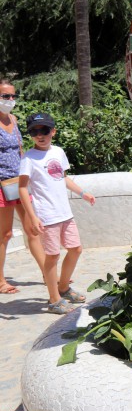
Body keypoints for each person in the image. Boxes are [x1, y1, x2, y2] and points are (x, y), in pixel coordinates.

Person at [18, 112, 95, 314]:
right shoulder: (29, 158)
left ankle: (63, 288)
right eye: (34, 131)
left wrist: (83, 192)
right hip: (47, 215)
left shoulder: (58, 152)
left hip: (64, 213)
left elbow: (63, 178)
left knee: (75, 249)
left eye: (43, 130)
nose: (39, 135)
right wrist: (33, 216)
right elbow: (23, 188)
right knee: (52, 256)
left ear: (53, 131)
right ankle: (54, 300)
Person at [0, 80, 45, 294]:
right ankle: (1, 281)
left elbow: (19, 150)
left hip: (19, 183)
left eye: (12, 96)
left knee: (33, 229)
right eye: (5, 96)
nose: (10, 100)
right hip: (2, 184)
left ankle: (48, 272)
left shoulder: (14, 119)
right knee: (5, 234)